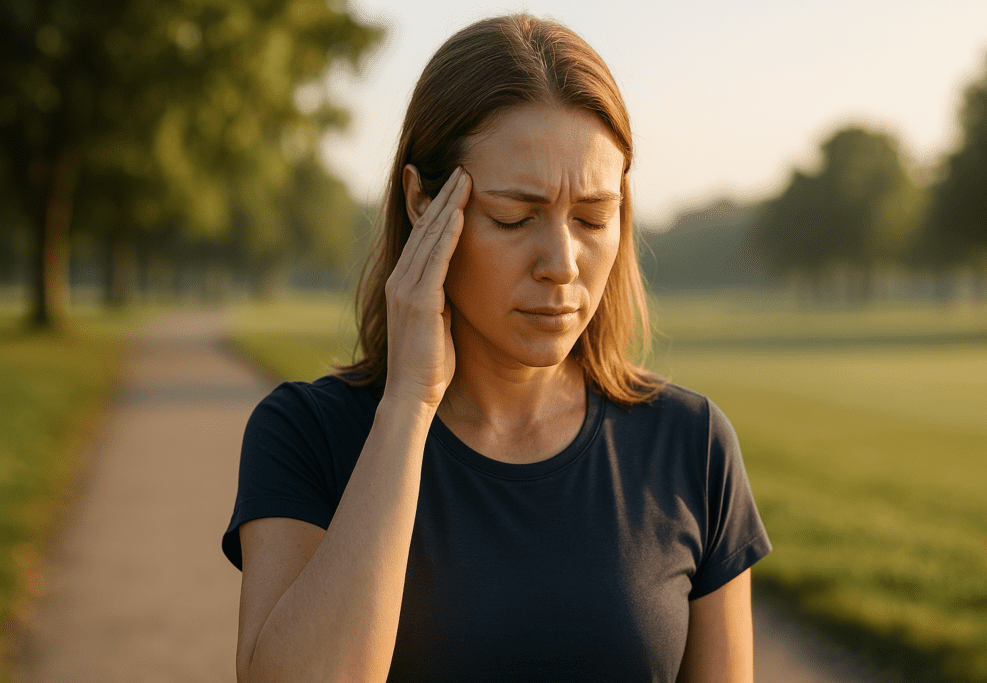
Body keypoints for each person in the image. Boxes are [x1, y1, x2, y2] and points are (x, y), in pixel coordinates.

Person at [222, 14, 770, 683]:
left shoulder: (693, 445)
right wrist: (407, 407)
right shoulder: (306, 435)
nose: (562, 263)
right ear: (423, 201)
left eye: (594, 217)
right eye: (515, 217)